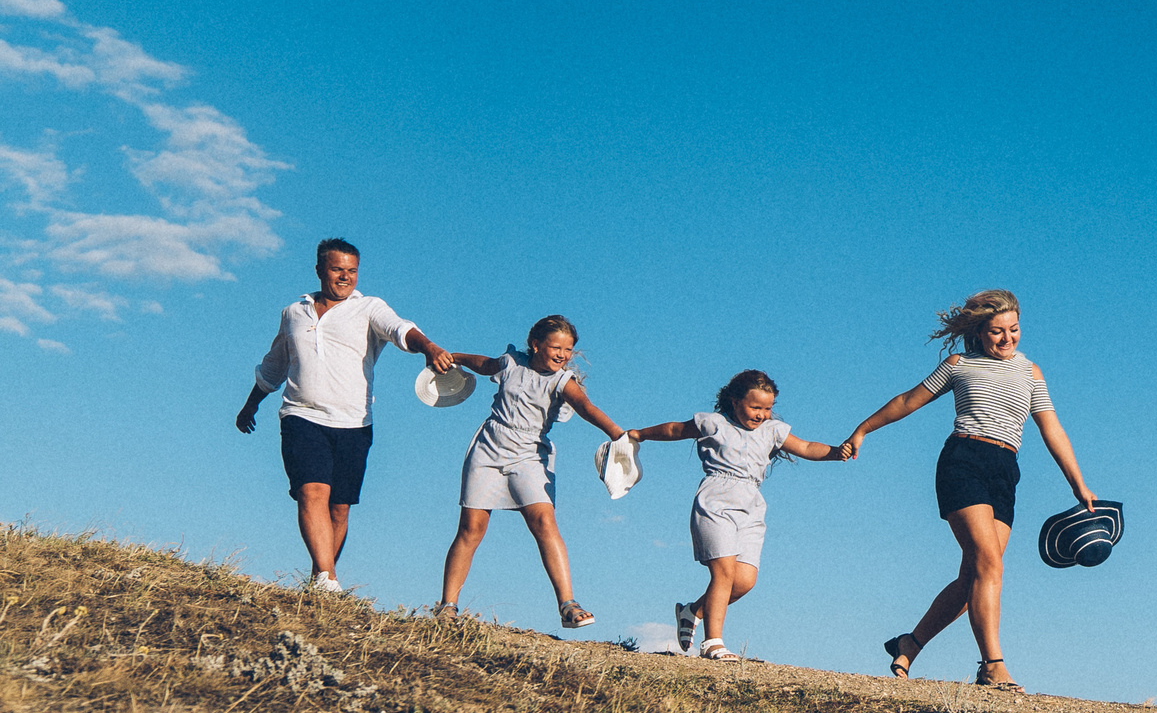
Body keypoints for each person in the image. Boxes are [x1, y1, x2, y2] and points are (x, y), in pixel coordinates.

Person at [847, 290, 1098, 692]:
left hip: (1005, 470)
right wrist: (863, 430)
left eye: (1013, 330)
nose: (1007, 338)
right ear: (979, 333)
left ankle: (909, 643)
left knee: (975, 576)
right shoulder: (959, 365)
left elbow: (1052, 428)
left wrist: (1079, 484)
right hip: (963, 461)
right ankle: (993, 666)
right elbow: (909, 400)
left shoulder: (1031, 373)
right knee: (989, 564)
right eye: (997, 331)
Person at [236, 237, 454, 592]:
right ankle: (327, 577)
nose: (345, 277)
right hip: (301, 416)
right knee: (312, 491)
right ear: (320, 269)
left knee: (339, 507)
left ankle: (318, 578)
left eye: (351, 271)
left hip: (354, 422)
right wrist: (250, 405)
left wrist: (428, 347)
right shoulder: (294, 312)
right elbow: (274, 365)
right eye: (337, 269)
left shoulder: (368, 307)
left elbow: (401, 329)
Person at [625, 369, 851, 663]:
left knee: (743, 581)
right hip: (716, 500)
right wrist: (640, 434)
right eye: (755, 407)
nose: (761, 415)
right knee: (724, 573)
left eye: (767, 408)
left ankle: (691, 611)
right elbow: (674, 430)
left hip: (752, 505)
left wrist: (836, 452)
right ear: (734, 401)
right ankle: (713, 643)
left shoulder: (773, 430)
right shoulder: (713, 423)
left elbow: (806, 447)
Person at [429, 315, 633, 628]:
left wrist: (617, 433)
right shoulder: (511, 362)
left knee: (544, 521)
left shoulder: (564, 381)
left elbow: (585, 407)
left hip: (530, 455)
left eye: (568, 349)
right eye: (556, 347)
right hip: (489, 449)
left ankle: (568, 604)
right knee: (471, 528)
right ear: (536, 344)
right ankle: (447, 607)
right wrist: (454, 357)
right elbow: (483, 364)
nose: (563, 354)